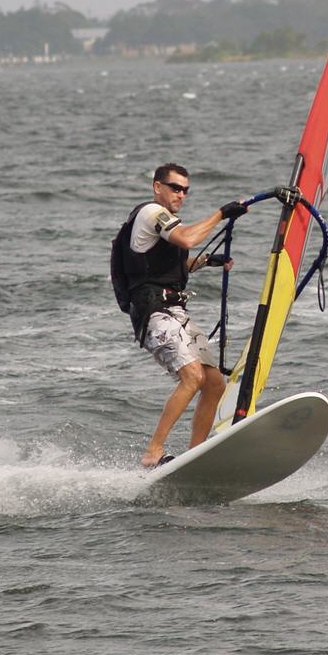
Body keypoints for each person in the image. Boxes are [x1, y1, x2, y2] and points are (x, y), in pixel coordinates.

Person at [123, 163, 248, 467]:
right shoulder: (151, 213)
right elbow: (187, 239)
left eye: (185, 190)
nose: (181, 194)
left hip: (175, 310)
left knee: (214, 383)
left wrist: (207, 261)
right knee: (192, 376)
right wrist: (221, 214)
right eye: (175, 188)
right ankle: (153, 452)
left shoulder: (165, 225)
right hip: (153, 312)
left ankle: (195, 455)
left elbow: (172, 266)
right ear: (157, 187)